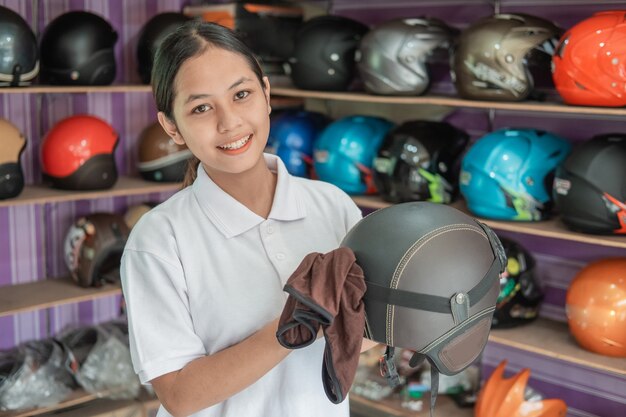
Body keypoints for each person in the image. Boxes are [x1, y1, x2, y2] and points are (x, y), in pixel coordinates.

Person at [121, 20, 377, 417]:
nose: (229, 122)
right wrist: (291, 326)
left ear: (267, 94)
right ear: (172, 127)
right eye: (201, 107)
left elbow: (354, 339)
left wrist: (428, 304)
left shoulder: (333, 206)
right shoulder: (158, 239)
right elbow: (179, 396)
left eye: (241, 94)